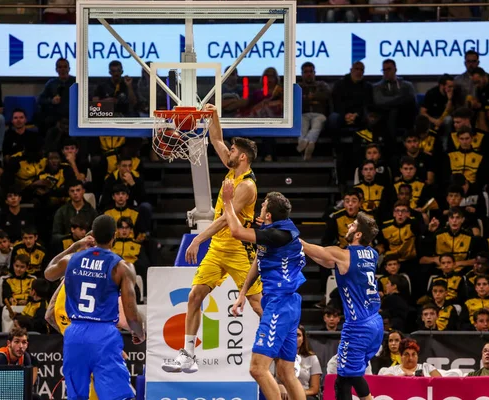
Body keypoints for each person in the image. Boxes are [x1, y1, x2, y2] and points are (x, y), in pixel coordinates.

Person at [161, 104, 263, 373]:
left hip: (240, 251)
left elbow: (221, 221)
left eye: (232, 151)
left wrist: (197, 240)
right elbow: (215, 139)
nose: (227, 152)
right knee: (195, 295)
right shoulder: (233, 171)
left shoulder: (247, 186)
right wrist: (214, 114)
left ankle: (290, 349)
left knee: (258, 305)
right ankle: (188, 355)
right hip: (219, 249)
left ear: (241, 157)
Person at [218, 183, 307, 400]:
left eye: (263, 205)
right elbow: (260, 259)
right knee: (286, 373)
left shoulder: (280, 235)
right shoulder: (273, 232)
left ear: (267, 214)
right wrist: (242, 293)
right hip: (287, 303)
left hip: (279, 303)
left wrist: (228, 202)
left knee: (257, 368)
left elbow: (236, 231)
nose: (260, 208)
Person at [44, 215, 145, 400]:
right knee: (117, 396)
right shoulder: (122, 267)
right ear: (114, 236)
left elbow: (48, 273)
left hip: (74, 333)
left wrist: (74, 246)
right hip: (103, 333)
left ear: (92, 236)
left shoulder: (72, 260)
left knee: (77, 396)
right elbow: (131, 315)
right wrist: (139, 333)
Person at [301, 212, 383, 400]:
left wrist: (290, 236)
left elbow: (319, 252)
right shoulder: (373, 254)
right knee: (343, 378)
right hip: (375, 322)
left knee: (351, 375)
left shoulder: (344, 254)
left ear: (359, 234)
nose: (348, 227)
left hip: (358, 326)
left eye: (353, 225)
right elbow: (326, 260)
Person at [278, 326, 321, 400]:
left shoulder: (312, 358)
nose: (295, 338)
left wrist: (298, 394)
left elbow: (314, 389)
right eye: (292, 335)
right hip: (282, 394)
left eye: (298, 335)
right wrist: (279, 387)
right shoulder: (277, 357)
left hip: (304, 394)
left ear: (303, 339)